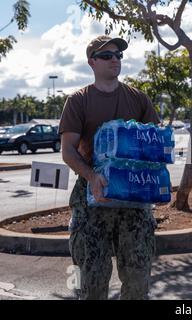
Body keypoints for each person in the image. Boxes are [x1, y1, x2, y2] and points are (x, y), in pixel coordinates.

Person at [59, 35, 160, 300]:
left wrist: (153, 182)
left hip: (133, 200)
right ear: (92, 62)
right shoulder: (78, 101)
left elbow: (155, 145)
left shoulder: (138, 99)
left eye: (118, 55)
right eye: (107, 55)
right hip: (92, 196)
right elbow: (67, 150)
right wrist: (92, 176)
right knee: (91, 282)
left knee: (138, 280)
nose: (115, 59)